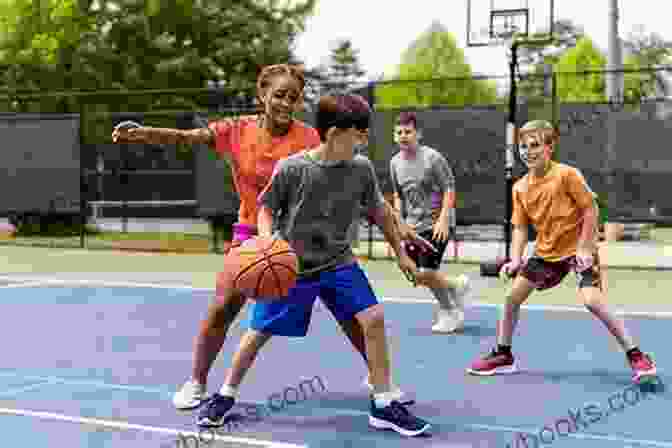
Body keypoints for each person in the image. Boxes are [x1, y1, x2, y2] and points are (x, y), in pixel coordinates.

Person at [111, 65, 415, 410]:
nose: (286, 103)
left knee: (347, 309)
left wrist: (399, 228)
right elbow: (188, 138)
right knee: (224, 306)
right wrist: (145, 132)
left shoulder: (311, 137)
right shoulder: (235, 131)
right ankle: (197, 381)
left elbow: (354, 181)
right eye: (280, 95)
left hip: (303, 238)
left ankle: (379, 379)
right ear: (263, 97)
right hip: (252, 234)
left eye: (294, 97)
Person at [196, 93, 431, 437]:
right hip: (293, 266)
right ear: (335, 133)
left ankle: (383, 404)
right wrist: (266, 242)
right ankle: (225, 394)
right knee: (259, 331)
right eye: (360, 132)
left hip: (338, 262)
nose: (365, 139)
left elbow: (380, 211)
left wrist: (401, 253)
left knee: (374, 318)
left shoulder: (360, 168)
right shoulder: (294, 168)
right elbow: (265, 208)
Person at [466, 120, 657, 383]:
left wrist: (585, 247)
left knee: (592, 300)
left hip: (578, 250)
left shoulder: (567, 175)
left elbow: (591, 209)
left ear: (549, 147)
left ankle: (636, 355)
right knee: (511, 299)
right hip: (545, 254)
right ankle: (503, 354)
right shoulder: (519, 188)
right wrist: (515, 259)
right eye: (523, 146)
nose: (528, 151)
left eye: (535, 145)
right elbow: (520, 227)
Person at [389, 112, 470, 333]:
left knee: (426, 271)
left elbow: (449, 188)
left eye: (408, 131)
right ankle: (455, 286)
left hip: (436, 224)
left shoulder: (433, 158)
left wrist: (443, 219)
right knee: (415, 274)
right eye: (399, 132)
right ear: (394, 136)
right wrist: (399, 220)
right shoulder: (394, 163)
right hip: (412, 227)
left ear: (418, 134)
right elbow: (398, 194)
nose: (403, 136)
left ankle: (449, 312)